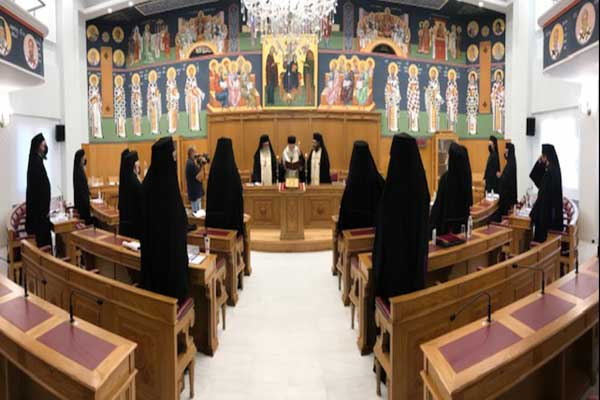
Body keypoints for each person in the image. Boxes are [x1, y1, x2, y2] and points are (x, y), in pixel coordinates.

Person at [373, 133, 430, 301]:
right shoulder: (421, 185)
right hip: (415, 264)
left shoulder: (392, 187)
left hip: (393, 272)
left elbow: (382, 230)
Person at [140, 137, 189, 304]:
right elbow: (178, 222)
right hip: (170, 267)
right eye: (173, 156)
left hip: (153, 266)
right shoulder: (168, 186)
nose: (174, 160)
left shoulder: (147, 184)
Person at [337, 141, 384, 233]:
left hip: (351, 231)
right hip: (372, 229)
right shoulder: (376, 178)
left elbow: (344, 212)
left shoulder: (352, 180)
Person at [430, 143, 471, 235]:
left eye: (448, 156)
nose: (446, 159)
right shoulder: (465, 177)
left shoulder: (445, 179)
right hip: (462, 227)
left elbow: (438, 207)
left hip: (446, 228)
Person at [205, 138, 244, 235]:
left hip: (215, 222)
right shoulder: (232, 169)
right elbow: (239, 192)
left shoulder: (213, 169)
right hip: (231, 222)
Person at [529, 144, 563, 242]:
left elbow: (543, 194)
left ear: (546, 157)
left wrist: (534, 211)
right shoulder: (553, 169)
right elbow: (538, 180)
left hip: (547, 214)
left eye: (542, 156)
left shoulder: (550, 172)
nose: (542, 158)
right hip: (550, 211)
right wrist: (539, 163)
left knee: (539, 233)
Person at [26, 133, 52, 248]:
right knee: (42, 239)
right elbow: (39, 189)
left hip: (42, 208)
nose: (45, 147)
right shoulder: (35, 162)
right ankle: (44, 255)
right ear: (38, 146)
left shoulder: (37, 159)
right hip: (39, 210)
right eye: (43, 145)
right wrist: (44, 206)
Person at [119, 151, 143, 239]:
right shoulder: (134, 180)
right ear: (135, 164)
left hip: (126, 221)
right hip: (134, 222)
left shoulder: (126, 178)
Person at [494, 142, 517, 221]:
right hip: (507, 195)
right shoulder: (510, 162)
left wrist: (500, 176)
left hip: (507, 196)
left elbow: (506, 180)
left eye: (506, 152)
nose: (505, 153)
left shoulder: (510, 164)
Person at [73, 149, 92, 225]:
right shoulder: (79, 172)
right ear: (81, 158)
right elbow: (82, 189)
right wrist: (87, 202)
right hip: (82, 204)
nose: (85, 158)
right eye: (84, 156)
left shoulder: (79, 169)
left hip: (82, 201)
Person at [185, 146, 205, 213]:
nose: (197, 153)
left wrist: (200, 164)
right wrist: (202, 165)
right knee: (197, 214)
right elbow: (199, 177)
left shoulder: (191, 162)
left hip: (195, 193)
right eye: (195, 152)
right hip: (195, 194)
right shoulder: (190, 164)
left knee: (198, 213)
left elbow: (198, 173)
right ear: (191, 153)